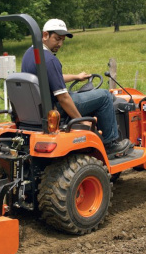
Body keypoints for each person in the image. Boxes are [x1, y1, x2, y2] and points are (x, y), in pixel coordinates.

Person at [21, 18, 130, 159]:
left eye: (63, 40)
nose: (60, 44)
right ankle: (111, 144)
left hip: (40, 106)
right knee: (105, 96)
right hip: (56, 106)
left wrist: (76, 77)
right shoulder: (50, 60)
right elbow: (63, 98)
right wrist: (80, 120)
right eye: (57, 39)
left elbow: (50, 78)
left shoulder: (30, 54)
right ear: (45, 35)